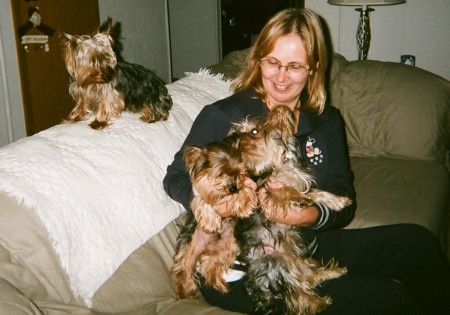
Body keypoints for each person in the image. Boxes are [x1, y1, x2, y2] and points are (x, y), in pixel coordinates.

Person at [163, 8, 450, 315]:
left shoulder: (326, 122)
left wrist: (304, 216)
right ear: (257, 59)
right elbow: (175, 177)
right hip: (238, 264)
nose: (281, 77)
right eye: (272, 62)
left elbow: (344, 202)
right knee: (389, 300)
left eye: (295, 66)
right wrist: (212, 204)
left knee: (418, 245)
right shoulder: (224, 115)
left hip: (303, 241)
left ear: (314, 68)